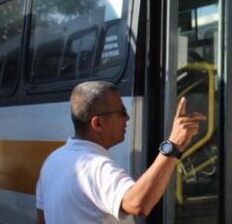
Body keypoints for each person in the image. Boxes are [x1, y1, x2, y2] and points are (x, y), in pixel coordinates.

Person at [35, 81, 205, 223]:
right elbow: (138, 204)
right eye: (122, 112)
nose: (128, 118)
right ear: (98, 124)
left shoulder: (52, 161)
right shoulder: (95, 167)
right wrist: (173, 145)